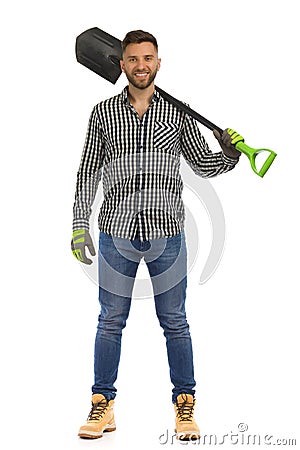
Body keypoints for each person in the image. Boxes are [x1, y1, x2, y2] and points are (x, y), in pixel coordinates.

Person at [71, 29, 244, 441]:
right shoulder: (103, 113)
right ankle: (102, 404)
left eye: (148, 58)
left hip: (169, 234)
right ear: (121, 63)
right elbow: (87, 173)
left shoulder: (179, 114)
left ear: (158, 63)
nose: (141, 65)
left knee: (175, 322)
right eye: (133, 59)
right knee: (110, 321)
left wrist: (230, 153)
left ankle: (185, 406)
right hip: (116, 233)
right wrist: (79, 224)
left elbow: (203, 164)